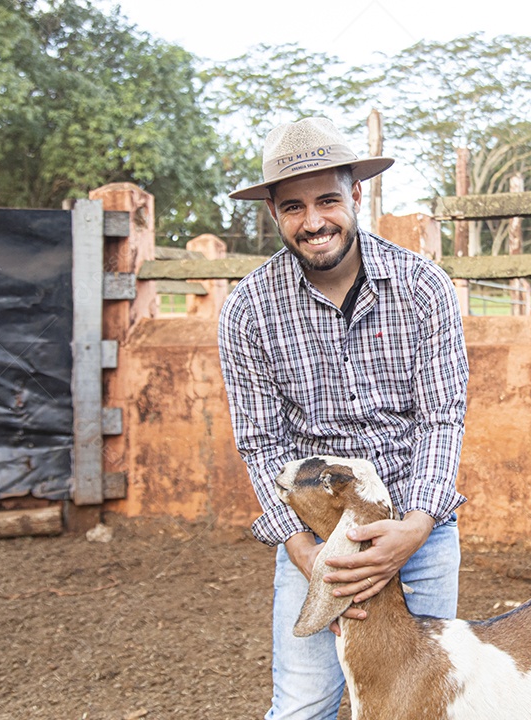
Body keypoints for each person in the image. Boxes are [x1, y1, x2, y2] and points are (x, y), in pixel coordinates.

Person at [217, 116, 470, 719]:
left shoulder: (423, 288)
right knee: (304, 705)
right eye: (293, 207)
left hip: (418, 530)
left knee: (420, 704)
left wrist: (414, 528)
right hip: (315, 536)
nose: (314, 222)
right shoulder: (248, 310)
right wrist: (305, 552)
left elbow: (442, 417)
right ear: (274, 213)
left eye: (328, 199)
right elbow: (260, 443)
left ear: (356, 195)